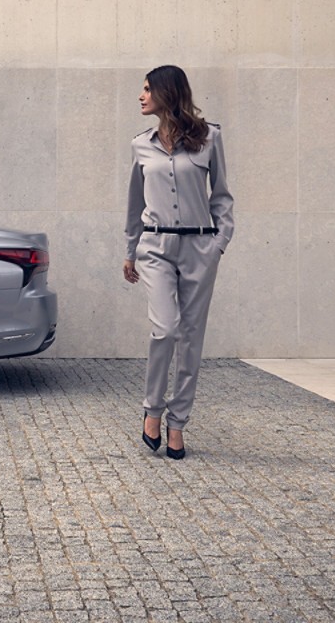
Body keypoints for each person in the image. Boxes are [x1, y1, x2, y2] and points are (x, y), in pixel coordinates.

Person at [123, 65, 234, 459]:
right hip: (154, 247)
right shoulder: (140, 145)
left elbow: (222, 197)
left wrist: (219, 243)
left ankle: (178, 423)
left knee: (191, 338)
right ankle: (152, 410)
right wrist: (130, 249)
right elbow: (135, 203)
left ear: (168, 93)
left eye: (148, 88)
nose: (141, 95)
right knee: (165, 329)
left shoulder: (209, 138)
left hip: (200, 250)